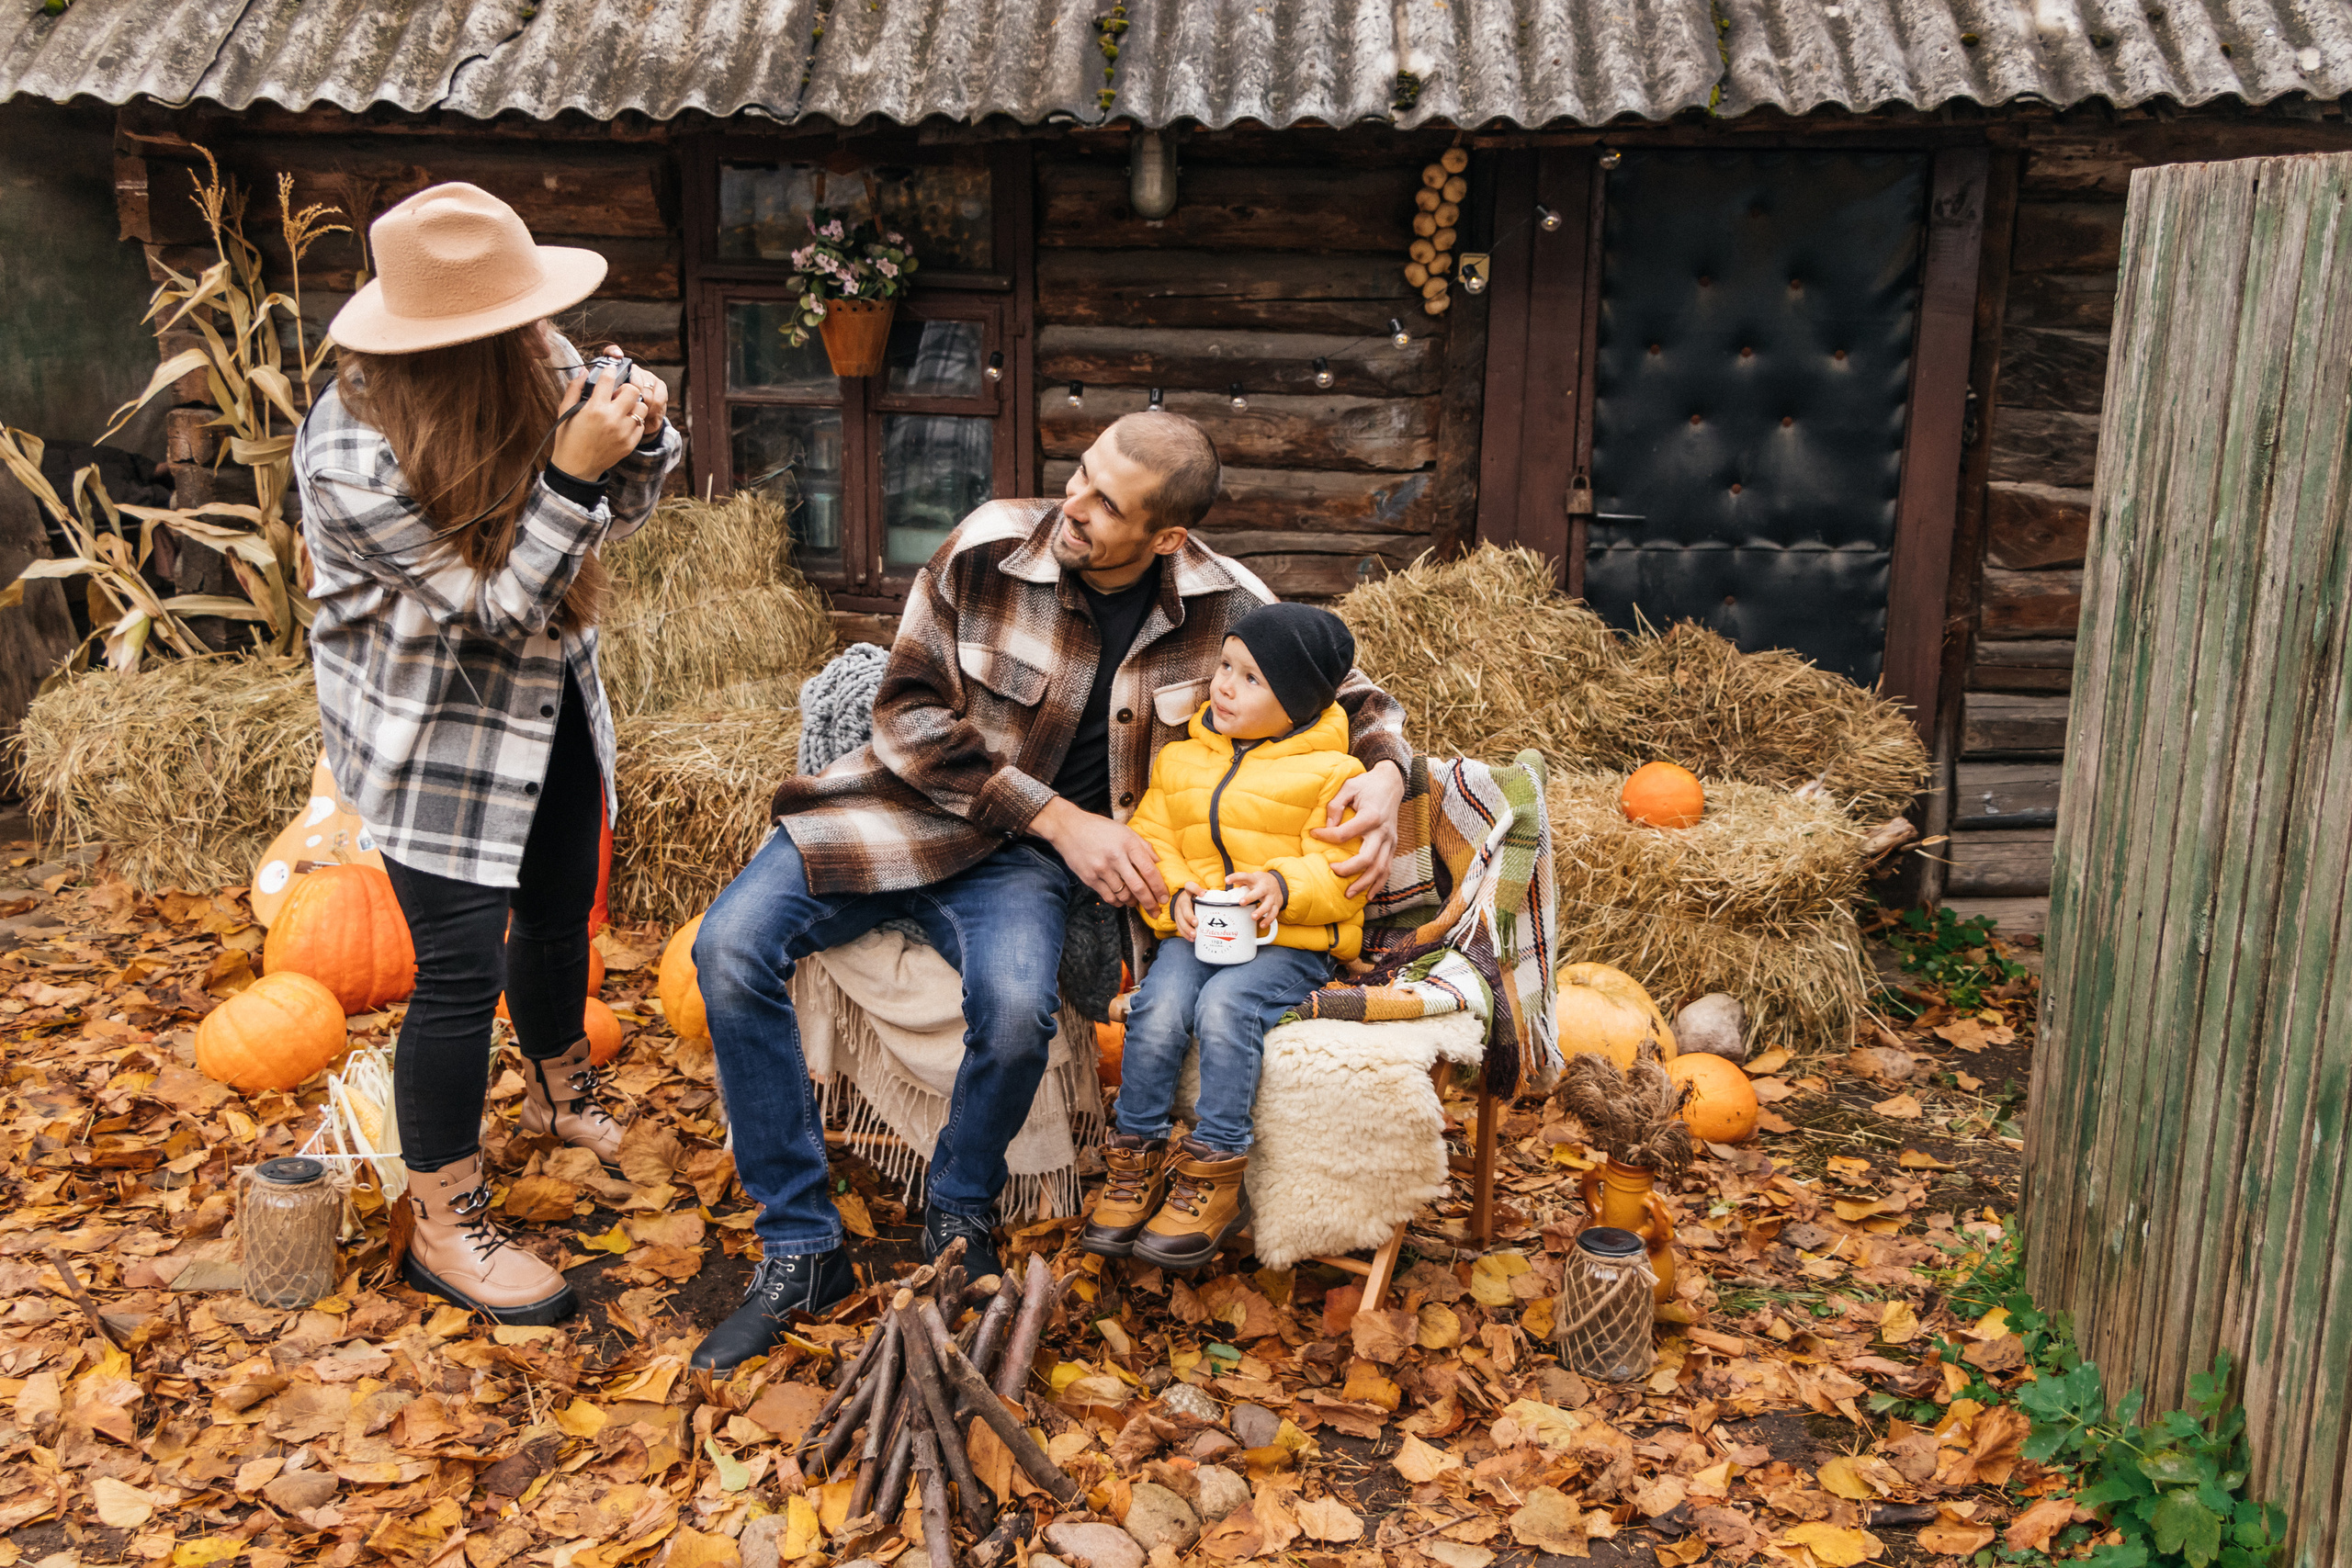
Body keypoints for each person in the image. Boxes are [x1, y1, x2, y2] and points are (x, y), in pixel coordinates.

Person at [688, 411, 1414, 1371]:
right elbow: (903, 712)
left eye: (1105, 503)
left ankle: (959, 1212)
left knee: (1015, 1008)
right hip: (899, 811)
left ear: (1166, 535)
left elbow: (1355, 694)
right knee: (728, 947)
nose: (1072, 504)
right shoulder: (986, 548)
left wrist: (1388, 772)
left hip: (1019, 866)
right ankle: (800, 1245)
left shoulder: (1225, 602)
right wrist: (1061, 818)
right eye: (1079, 475)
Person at [295, 183, 681, 1325]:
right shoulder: (347, 453)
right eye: (507, 323)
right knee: (458, 970)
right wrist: (571, 471)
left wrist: (640, 432)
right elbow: (497, 607)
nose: (536, 336)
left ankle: (559, 1090)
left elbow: (623, 513)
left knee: (559, 909)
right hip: (431, 732)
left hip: (548, 694)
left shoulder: (534, 354)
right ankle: (443, 1218)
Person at [1080, 603, 1371, 1270]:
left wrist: (1283, 885)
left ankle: (1213, 1172)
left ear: (1296, 703)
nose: (1225, 686)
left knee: (1224, 1005)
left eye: (1252, 678)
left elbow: (1345, 871)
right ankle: (1135, 1161)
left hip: (1290, 944)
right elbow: (1153, 839)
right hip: (1201, 932)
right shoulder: (1182, 760)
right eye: (1225, 667)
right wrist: (1176, 895)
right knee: (1157, 1007)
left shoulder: (1334, 775)